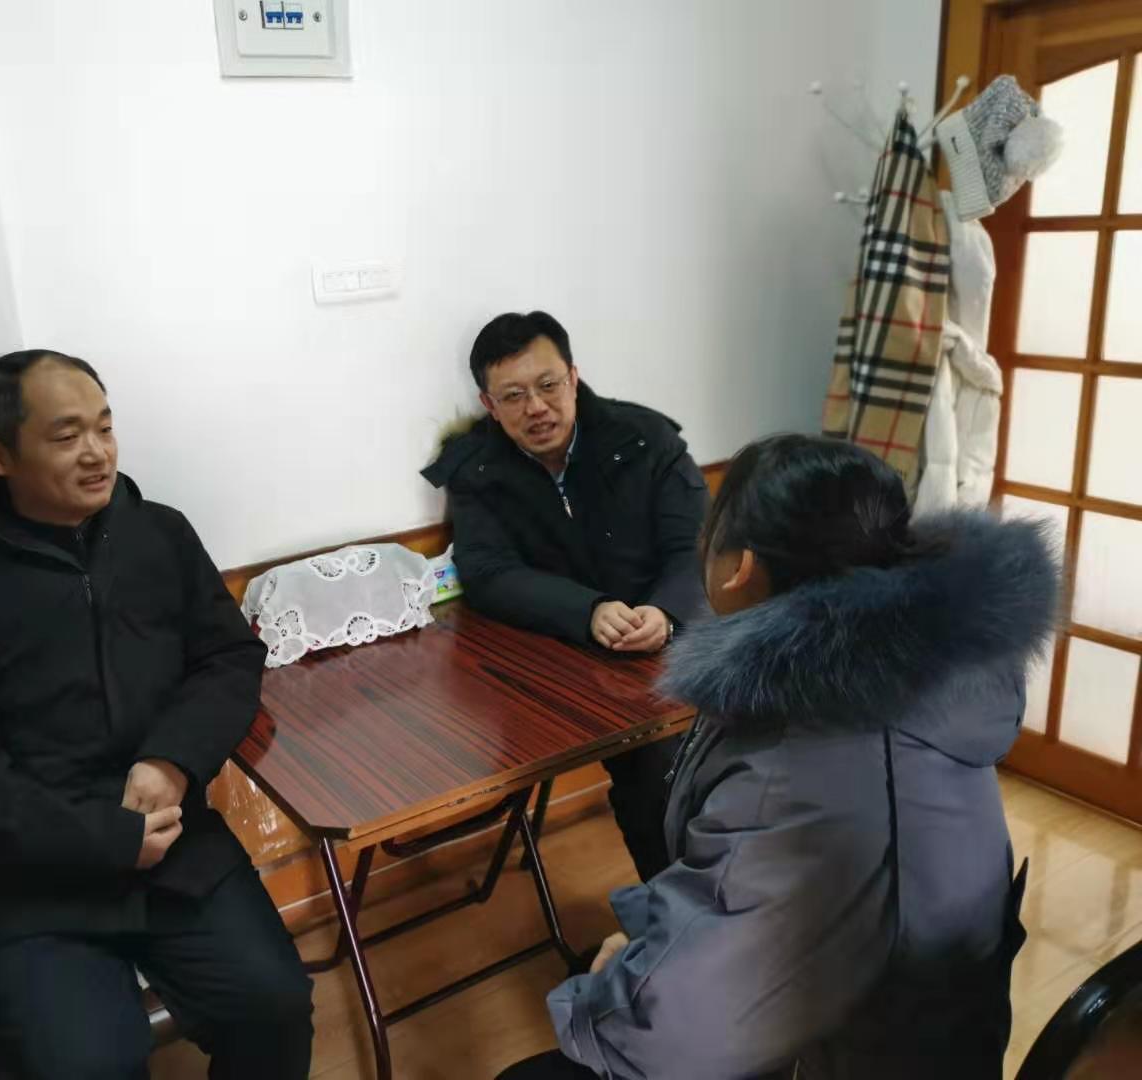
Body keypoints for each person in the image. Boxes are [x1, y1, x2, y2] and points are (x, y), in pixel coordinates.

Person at [500, 434, 1058, 1079]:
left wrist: (601, 997)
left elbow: (671, 1035)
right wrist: (643, 942)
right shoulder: (921, 669)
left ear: (739, 567)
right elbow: (742, 892)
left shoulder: (797, 753)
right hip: (931, 1028)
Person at [0, 350, 312, 1079]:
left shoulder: (160, 534)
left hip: (175, 845)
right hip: (29, 885)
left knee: (274, 1004)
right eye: (66, 436)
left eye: (105, 427)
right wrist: (107, 839)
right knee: (87, 1065)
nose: (97, 453)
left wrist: (172, 761)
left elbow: (229, 657)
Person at [422, 311, 709, 881]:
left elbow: (698, 549)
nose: (536, 407)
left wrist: (665, 612)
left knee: (712, 755)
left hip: (676, 634)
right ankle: (677, 909)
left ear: (574, 378)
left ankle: (723, 899)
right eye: (514, 396)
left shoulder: (646, 440)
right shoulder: (477, 468)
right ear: (489, 404)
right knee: (651, 766)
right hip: (576, 654)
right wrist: (588, 611)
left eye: (548, 385)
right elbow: (488, 572)